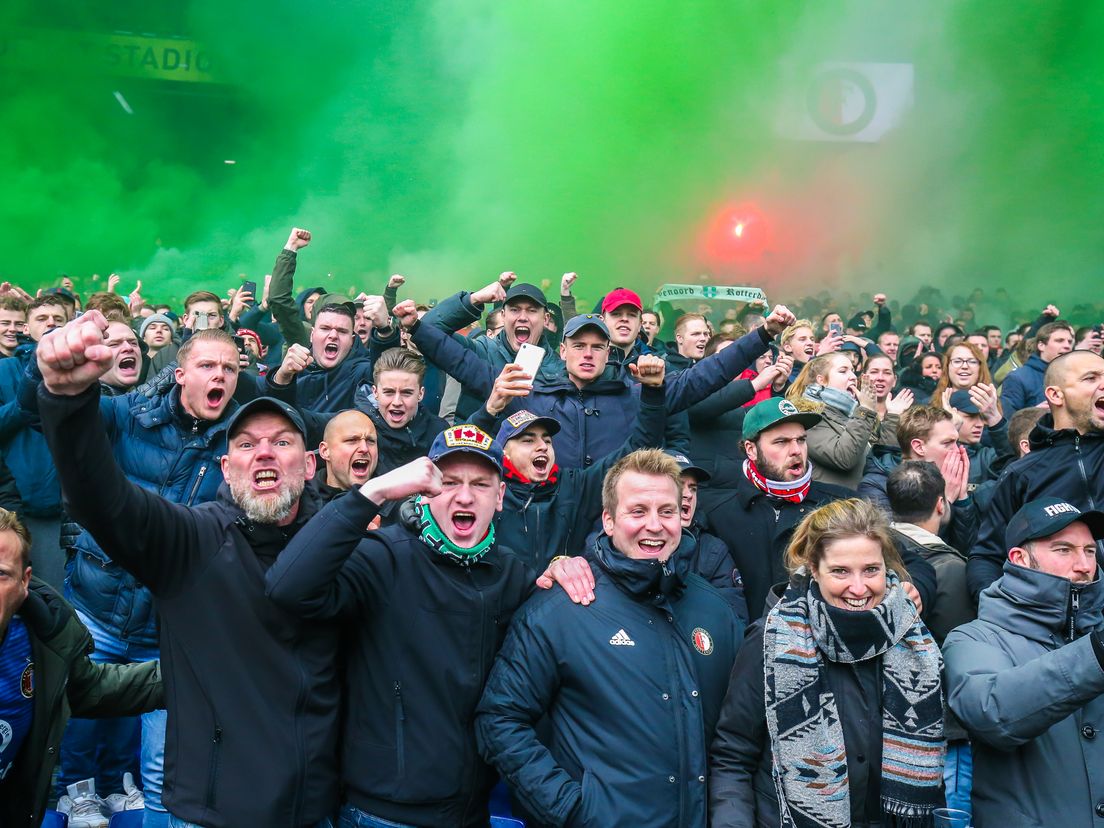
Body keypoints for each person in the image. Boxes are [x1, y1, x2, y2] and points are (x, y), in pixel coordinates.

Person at [35, 311, 345, 827]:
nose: (220, 375)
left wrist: (362, 510)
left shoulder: (322, 542)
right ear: (180, 373)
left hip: (170, 631)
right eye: (207, 365)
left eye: (230, 366)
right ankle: (85, 792)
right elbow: (97, 493)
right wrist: (66, 400)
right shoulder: (136, 419)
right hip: (103, 604)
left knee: (160, 765)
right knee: (82, 733)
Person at [265, 427, 594, 828]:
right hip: (382, 815)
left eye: (480, 484)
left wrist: (565, 565)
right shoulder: (383, 557)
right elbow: (287, 588)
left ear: (501, 497)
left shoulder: (514, 576)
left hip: (472, 812)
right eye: (448, 482)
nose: (465, 496)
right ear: (423, 493)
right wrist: (374, 492)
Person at [475, 450, 746, 828]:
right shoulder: (560, 610)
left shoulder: (714, 610)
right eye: (638, 511)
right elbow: (500, 720)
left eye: (667, 512)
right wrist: (574, 809)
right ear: (609, 519)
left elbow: (738, 739)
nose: (655, 525)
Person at [709, 498, 945, 828]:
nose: (859, 587)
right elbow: (733, 755)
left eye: (871, 570)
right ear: (813, 569)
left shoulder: (912, 638)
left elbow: (929, 773)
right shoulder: (770, 639)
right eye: (840, 571)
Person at [406, 300, 795, 470]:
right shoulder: (531, 389)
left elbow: (706, 376)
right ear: (563, 349)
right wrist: (415, 329)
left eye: (597, 347)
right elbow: (461, 361)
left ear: (609, 352)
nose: (588, 354)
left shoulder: (636, 392)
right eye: (579, 346)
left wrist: (763, 335)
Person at [944, 498, 1104, 828]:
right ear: (1020, 558)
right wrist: (1096, 655)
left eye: (1090, 551)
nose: (1084, 565)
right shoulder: (974, 638)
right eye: (1064, 550)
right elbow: (993, 712)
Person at [0, 508, 164, 828]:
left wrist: (195, 673)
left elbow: (91, 689)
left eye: (1, 574)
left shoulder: (41, 641)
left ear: (25, 582)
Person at [699, 398, 935, 619]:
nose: (795, 450)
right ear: (751, 449)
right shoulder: (720, 514)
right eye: (781, 442)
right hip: (752, 651)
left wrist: (916, 589)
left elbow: (912, 563)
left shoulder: (841, 503)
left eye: (801, 440)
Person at [469, 355, 669, 568]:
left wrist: (653, 393)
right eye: (528, 440)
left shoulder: (575, 486)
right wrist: (489, 411)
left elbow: (639, 447)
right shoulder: (488, 492)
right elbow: (460, 453)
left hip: (562, 595)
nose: (542, 446)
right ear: (504, 453)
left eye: (547, 440)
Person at [967, 350, 1104, 599]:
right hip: (1063, 622)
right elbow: (987, 556)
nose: (1103, 384)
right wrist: (1000, 609)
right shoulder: (1023, 474)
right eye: (1091, 378)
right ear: (1055, 394)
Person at [885, 461, 976, 816]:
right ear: (941, 504)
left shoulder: (872, 551)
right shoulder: (950, 568)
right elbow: (957, 648)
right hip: (942, 733)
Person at [786, 352, 907, 489]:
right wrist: (865, 410)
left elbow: (880, 458)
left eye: (853, 371)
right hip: (835, 506)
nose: (853, 377)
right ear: (821, 380)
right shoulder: (809, 416)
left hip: (864, 502)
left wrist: (892, 417)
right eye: (843, 371)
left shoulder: (851, 412)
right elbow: (844, 458)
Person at [353, 347, 447, 475]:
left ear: (420, 394)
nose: (397, 402)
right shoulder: (354, 427)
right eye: (389, 392)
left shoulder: (439, 433)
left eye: (406, 393)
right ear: (375, 392)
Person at [999, 320, 1074, 412]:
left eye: (1070, 342)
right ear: (1041, 345)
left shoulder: (1076, 376)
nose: (1067, 346)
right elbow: (1007, 421)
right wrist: (1033, 413)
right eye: (1059, 341)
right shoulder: (1018, 378)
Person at [315, 409, 378, 501]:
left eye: (370, 441)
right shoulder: (300, 503)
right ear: (325, 451)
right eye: (352, 440)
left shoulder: (391, 501)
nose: (364, 448)